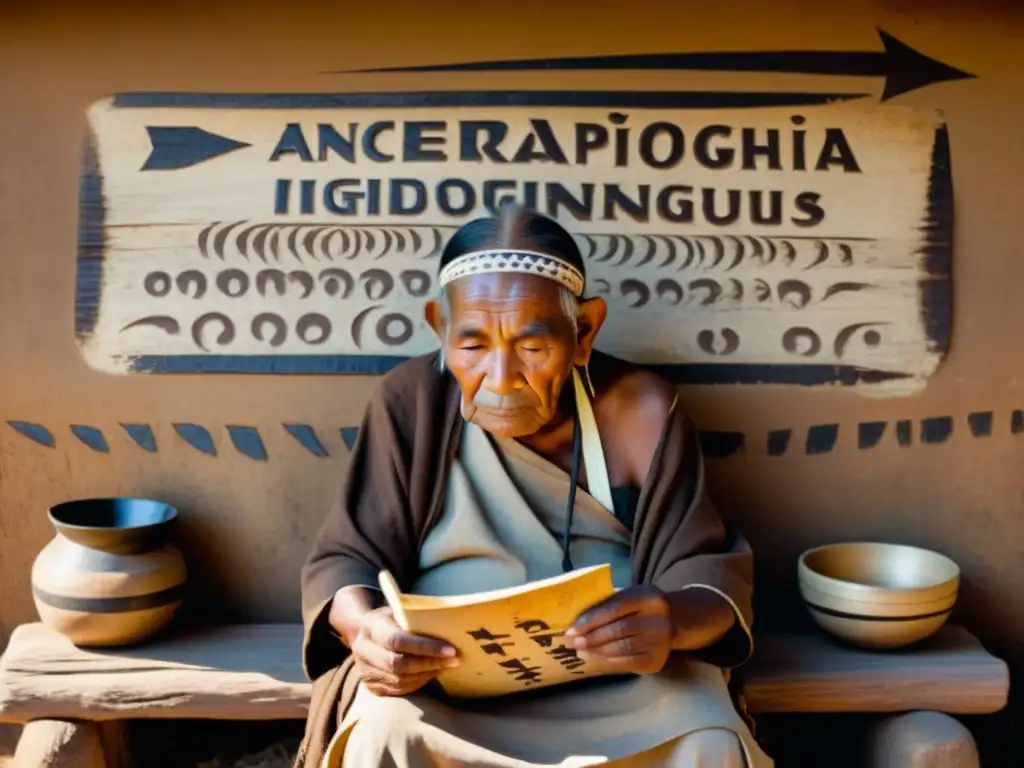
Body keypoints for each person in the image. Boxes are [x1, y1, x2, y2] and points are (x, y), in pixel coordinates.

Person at [296, 205, 773, 768]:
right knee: (384, 728)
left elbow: (702, 570)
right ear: (438, 327)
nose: (500, 379)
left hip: (621, 680)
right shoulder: (411, 399)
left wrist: (667, 622)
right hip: (448, 680)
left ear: (583, 332)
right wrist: (366, 629)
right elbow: (346, 557)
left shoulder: (638, 409)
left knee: (707, 737)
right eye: (472, 347)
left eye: (533, 347)